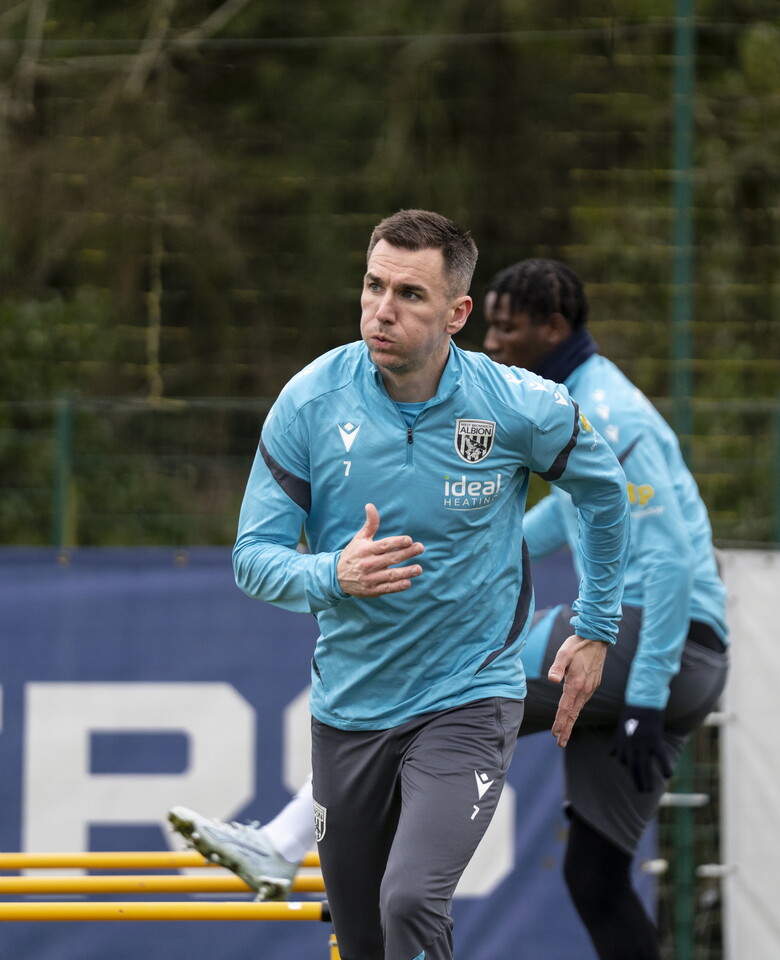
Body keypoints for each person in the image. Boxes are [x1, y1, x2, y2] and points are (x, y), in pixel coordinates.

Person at [171, 209, 632, 960]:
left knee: (413, 899)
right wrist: (334, 573)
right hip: (349, 711)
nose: (382, 310)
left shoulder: (514, 405)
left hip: (468, 697)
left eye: (410, 295)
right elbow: (253, 558)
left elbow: (605, 491)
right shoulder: (311, 401)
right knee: (364, 941)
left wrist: (597, 625)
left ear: (457, 314)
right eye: (373, 285)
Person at [483, 258, 729, 960]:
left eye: (508, 328)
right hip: (691, 659)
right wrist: (477, 552)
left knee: (434, 684)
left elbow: (672, 560)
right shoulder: (573, 397)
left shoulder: (606, 410)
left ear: (553, 328)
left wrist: (645, 696)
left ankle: (287, 843)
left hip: (653, 648)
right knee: (594, 877)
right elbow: (569, 516)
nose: (492, 343)